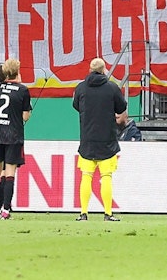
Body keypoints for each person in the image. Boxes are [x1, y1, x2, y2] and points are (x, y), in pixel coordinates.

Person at [73, 58, 127, 222]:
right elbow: (121, 107)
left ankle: (83, 213)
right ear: (105, 70)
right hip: (107, 139)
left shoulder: (81, 87)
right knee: (107, 177)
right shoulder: (111, 88)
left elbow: (76, 106)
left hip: (87, 138)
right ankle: (108, 213)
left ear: (90, 69)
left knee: (86, 176)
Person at [0, 60, 31, 219]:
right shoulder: (23, 90)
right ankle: (5, 210)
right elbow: (25, 116)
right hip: (14, 135)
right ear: (17, 71)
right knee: (10, 172)